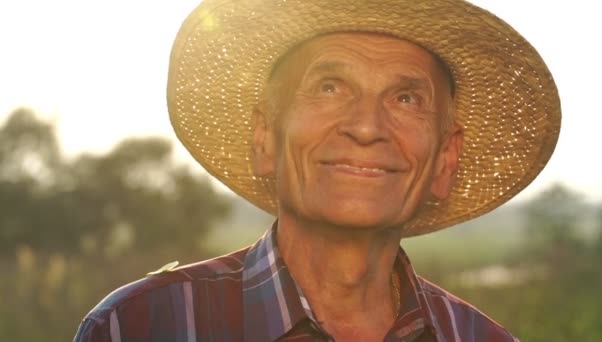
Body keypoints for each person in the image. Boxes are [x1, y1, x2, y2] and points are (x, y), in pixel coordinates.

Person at [74, 0, 560, 341]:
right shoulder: (140, 327)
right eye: (330, 87)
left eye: (406, 98)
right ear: (265, 138)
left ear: (444, 161)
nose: (367, 127)